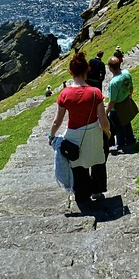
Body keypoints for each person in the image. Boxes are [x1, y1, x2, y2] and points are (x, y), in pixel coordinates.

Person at [48, 51, 111, 205]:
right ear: (86, 71)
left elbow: (57, 121)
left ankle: (82, 195)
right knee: (98, 161)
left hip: (74, 136)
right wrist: (108, 132)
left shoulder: (65, 94)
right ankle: (97, 191)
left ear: (71, 72)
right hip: (94, 134)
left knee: (78, 166)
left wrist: (51, 136)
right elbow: (103, 121)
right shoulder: (96, 93)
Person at [106, 56, 136, 152]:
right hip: (125, 101)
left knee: (117, 126)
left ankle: (121, 143)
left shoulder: (113, 83)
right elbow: (131, 87)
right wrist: (129, 96)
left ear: (110, 68)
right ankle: (131, 139)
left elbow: (112, 101)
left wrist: (106, 112)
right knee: (126, 122)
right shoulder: (126, 73)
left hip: (117, 107)